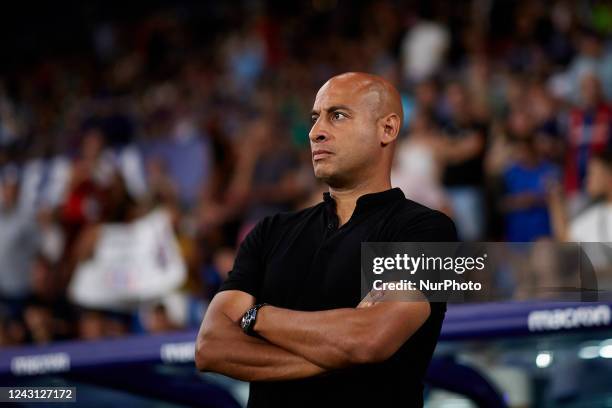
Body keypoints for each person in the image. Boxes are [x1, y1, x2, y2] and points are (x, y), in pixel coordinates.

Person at [195, 72, 457, 407]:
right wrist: (339, 350)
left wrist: (256, 317)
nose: (316, 132)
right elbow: (210, 347)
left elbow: (370, 340)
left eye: (338, 116)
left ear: (387, 129)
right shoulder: (270, 231)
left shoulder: (431, 231)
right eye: (315, 118)